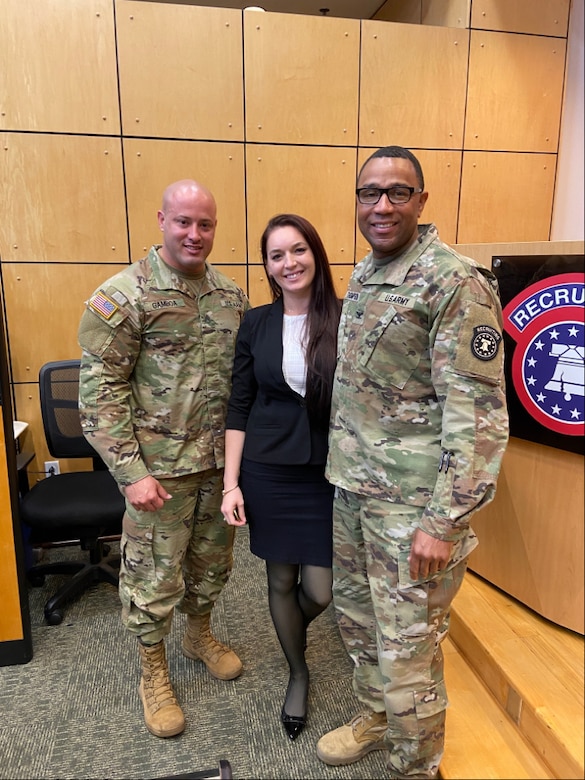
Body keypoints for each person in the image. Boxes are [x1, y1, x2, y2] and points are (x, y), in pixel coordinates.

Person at [316, 147, 509, 778]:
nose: (381, 205)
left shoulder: (456, 283)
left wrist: (443, 521)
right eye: (370, 193)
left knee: (410, 652)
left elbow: (477, 417)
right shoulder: (368, 273)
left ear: (422, 202)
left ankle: (416, 766)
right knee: (359, 622)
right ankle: (376, 717)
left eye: (398, 193)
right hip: (354, 489)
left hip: (413, 510)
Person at [77, 179, 250, 739]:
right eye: (183, 222)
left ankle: (198, 635)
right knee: (153, 579)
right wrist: (131, 475)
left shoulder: (230, 297)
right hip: (158, 475)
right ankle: (153, 671)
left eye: (205, 224)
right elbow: (99, 396)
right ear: (161, 220)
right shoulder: (124, 296)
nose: (194, 234)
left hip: (216, 471)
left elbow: (243, 390)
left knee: (210, 568)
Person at [220, 214, 341, 741]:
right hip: (267, 469)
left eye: (298, 251)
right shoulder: (256, 324)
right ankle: (298, 671)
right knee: (279, 579)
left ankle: (293, 633)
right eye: (276, 255)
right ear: (267, 266)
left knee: (319, 590)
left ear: (315, 254)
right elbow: (238, 405)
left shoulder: (344, 317)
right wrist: (231, 484)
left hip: (325, 471)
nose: (288, 263)